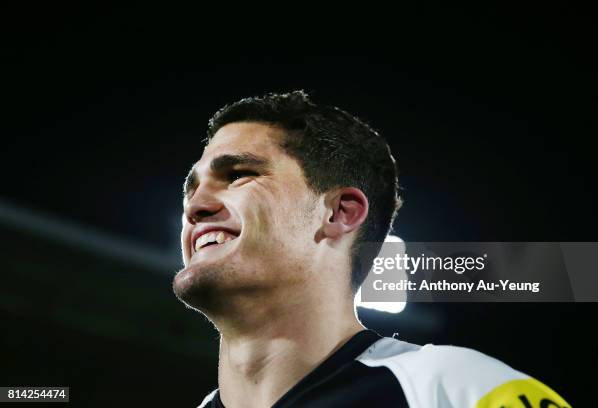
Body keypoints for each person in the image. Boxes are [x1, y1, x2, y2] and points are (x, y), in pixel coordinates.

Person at [172, 91, 570, 407]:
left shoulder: (451, 389)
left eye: (238, 175)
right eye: (192, 188)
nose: (195, 206)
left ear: (340, 213)